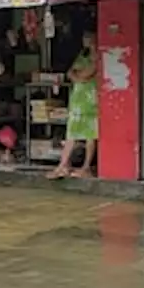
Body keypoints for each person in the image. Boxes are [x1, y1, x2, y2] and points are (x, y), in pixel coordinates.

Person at [48, 30, 99, 179]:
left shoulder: (97, 57)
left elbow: (86, 73)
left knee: (90, 135)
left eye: (89, 37)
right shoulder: (82, 55)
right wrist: (78, 76)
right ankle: (63, 166)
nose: (85, 40)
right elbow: (70, 72)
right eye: (84, 37)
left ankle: (85, 167)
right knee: (72, 133)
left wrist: (78, 75)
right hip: (77, 100)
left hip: (90, 101)